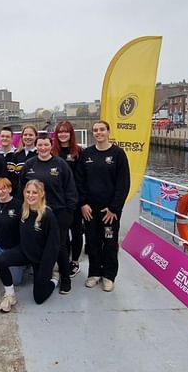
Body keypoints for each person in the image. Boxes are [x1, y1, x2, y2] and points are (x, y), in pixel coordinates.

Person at [20, 132, 78, 294]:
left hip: (58, 213)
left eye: (46, 145)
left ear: (51, 146)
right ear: (36, 147)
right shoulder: (29, 164)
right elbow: (22, 188)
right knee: (37, 244)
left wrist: (69, 212)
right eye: (40, 145)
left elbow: (70, 189)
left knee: (59, 247)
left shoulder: (60, 164)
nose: (43, 148)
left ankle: (65, 279)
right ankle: (41, 273)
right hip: (35, 213)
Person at [77, 120, 130, 292]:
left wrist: (114, 208)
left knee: (109, 242)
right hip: (90, 210)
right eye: (95, 130)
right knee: (92, 242)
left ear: (108, 131)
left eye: (102, 130)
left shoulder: (118, 154)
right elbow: (80, 181)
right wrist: (83, 203)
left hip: (110, 211)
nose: (98, 133)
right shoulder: (87, 154)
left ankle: (108, 276)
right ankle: (94, 273)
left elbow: (123, 184)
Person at [0, 180, 60, 313]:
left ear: (42, 194)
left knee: (39, 298)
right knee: (0, 261)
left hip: (41, 259)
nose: (30, 195)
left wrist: (46, 268)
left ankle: (55, 278)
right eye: (28, 192)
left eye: (34, 192)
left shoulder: (48, 215)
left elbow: (53, 247)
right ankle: (10, 295)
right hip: (24, 252)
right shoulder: (23, 210)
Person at [52, 121, 85, 278]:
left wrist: (81, 201)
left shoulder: (78, 152)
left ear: (71, 133)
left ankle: (75, 261)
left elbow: (82, 178)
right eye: (60, 132)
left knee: (76, 231)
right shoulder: (53, 152)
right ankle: (63, 259)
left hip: (75, 200)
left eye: (66, 132)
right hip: (58, 201)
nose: (63, 134)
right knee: (62, 233)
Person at [9, 125, 38, 198]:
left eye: (31, 135)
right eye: (25, 135)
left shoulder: (39, 154)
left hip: (36, 195)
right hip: (19, 196)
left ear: (36, 137)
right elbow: (13, 177)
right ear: (22, 137)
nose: (28, 137)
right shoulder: (16, 154)